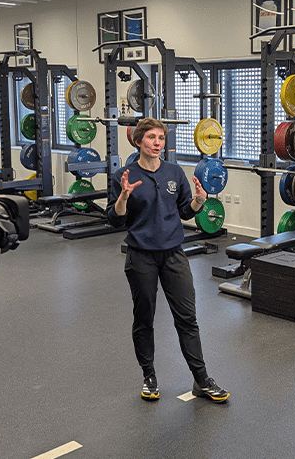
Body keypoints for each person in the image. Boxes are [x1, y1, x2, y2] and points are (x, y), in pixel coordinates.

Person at [106, 117, 230, 403]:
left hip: (174, 253)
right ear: (138, 141)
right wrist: (123, 196)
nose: (157, 143)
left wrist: (199, 200)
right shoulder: (124, 175)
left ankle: (201, 379)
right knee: (144, 318)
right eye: (151, 137)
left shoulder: (174, 172)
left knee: (187, 317)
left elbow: (185, 211)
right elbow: (115, 220)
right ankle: (149, 376)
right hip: (141, 255)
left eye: (161, 138)